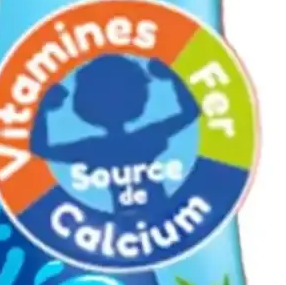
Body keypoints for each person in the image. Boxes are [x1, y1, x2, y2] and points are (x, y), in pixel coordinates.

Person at [30, 55, 200, 214]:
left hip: (133, 220)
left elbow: (41, 148)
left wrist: (43, 109)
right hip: (155, 215)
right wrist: (173, 78)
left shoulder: (94, 148)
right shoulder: (146, 137)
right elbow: (190, 111)